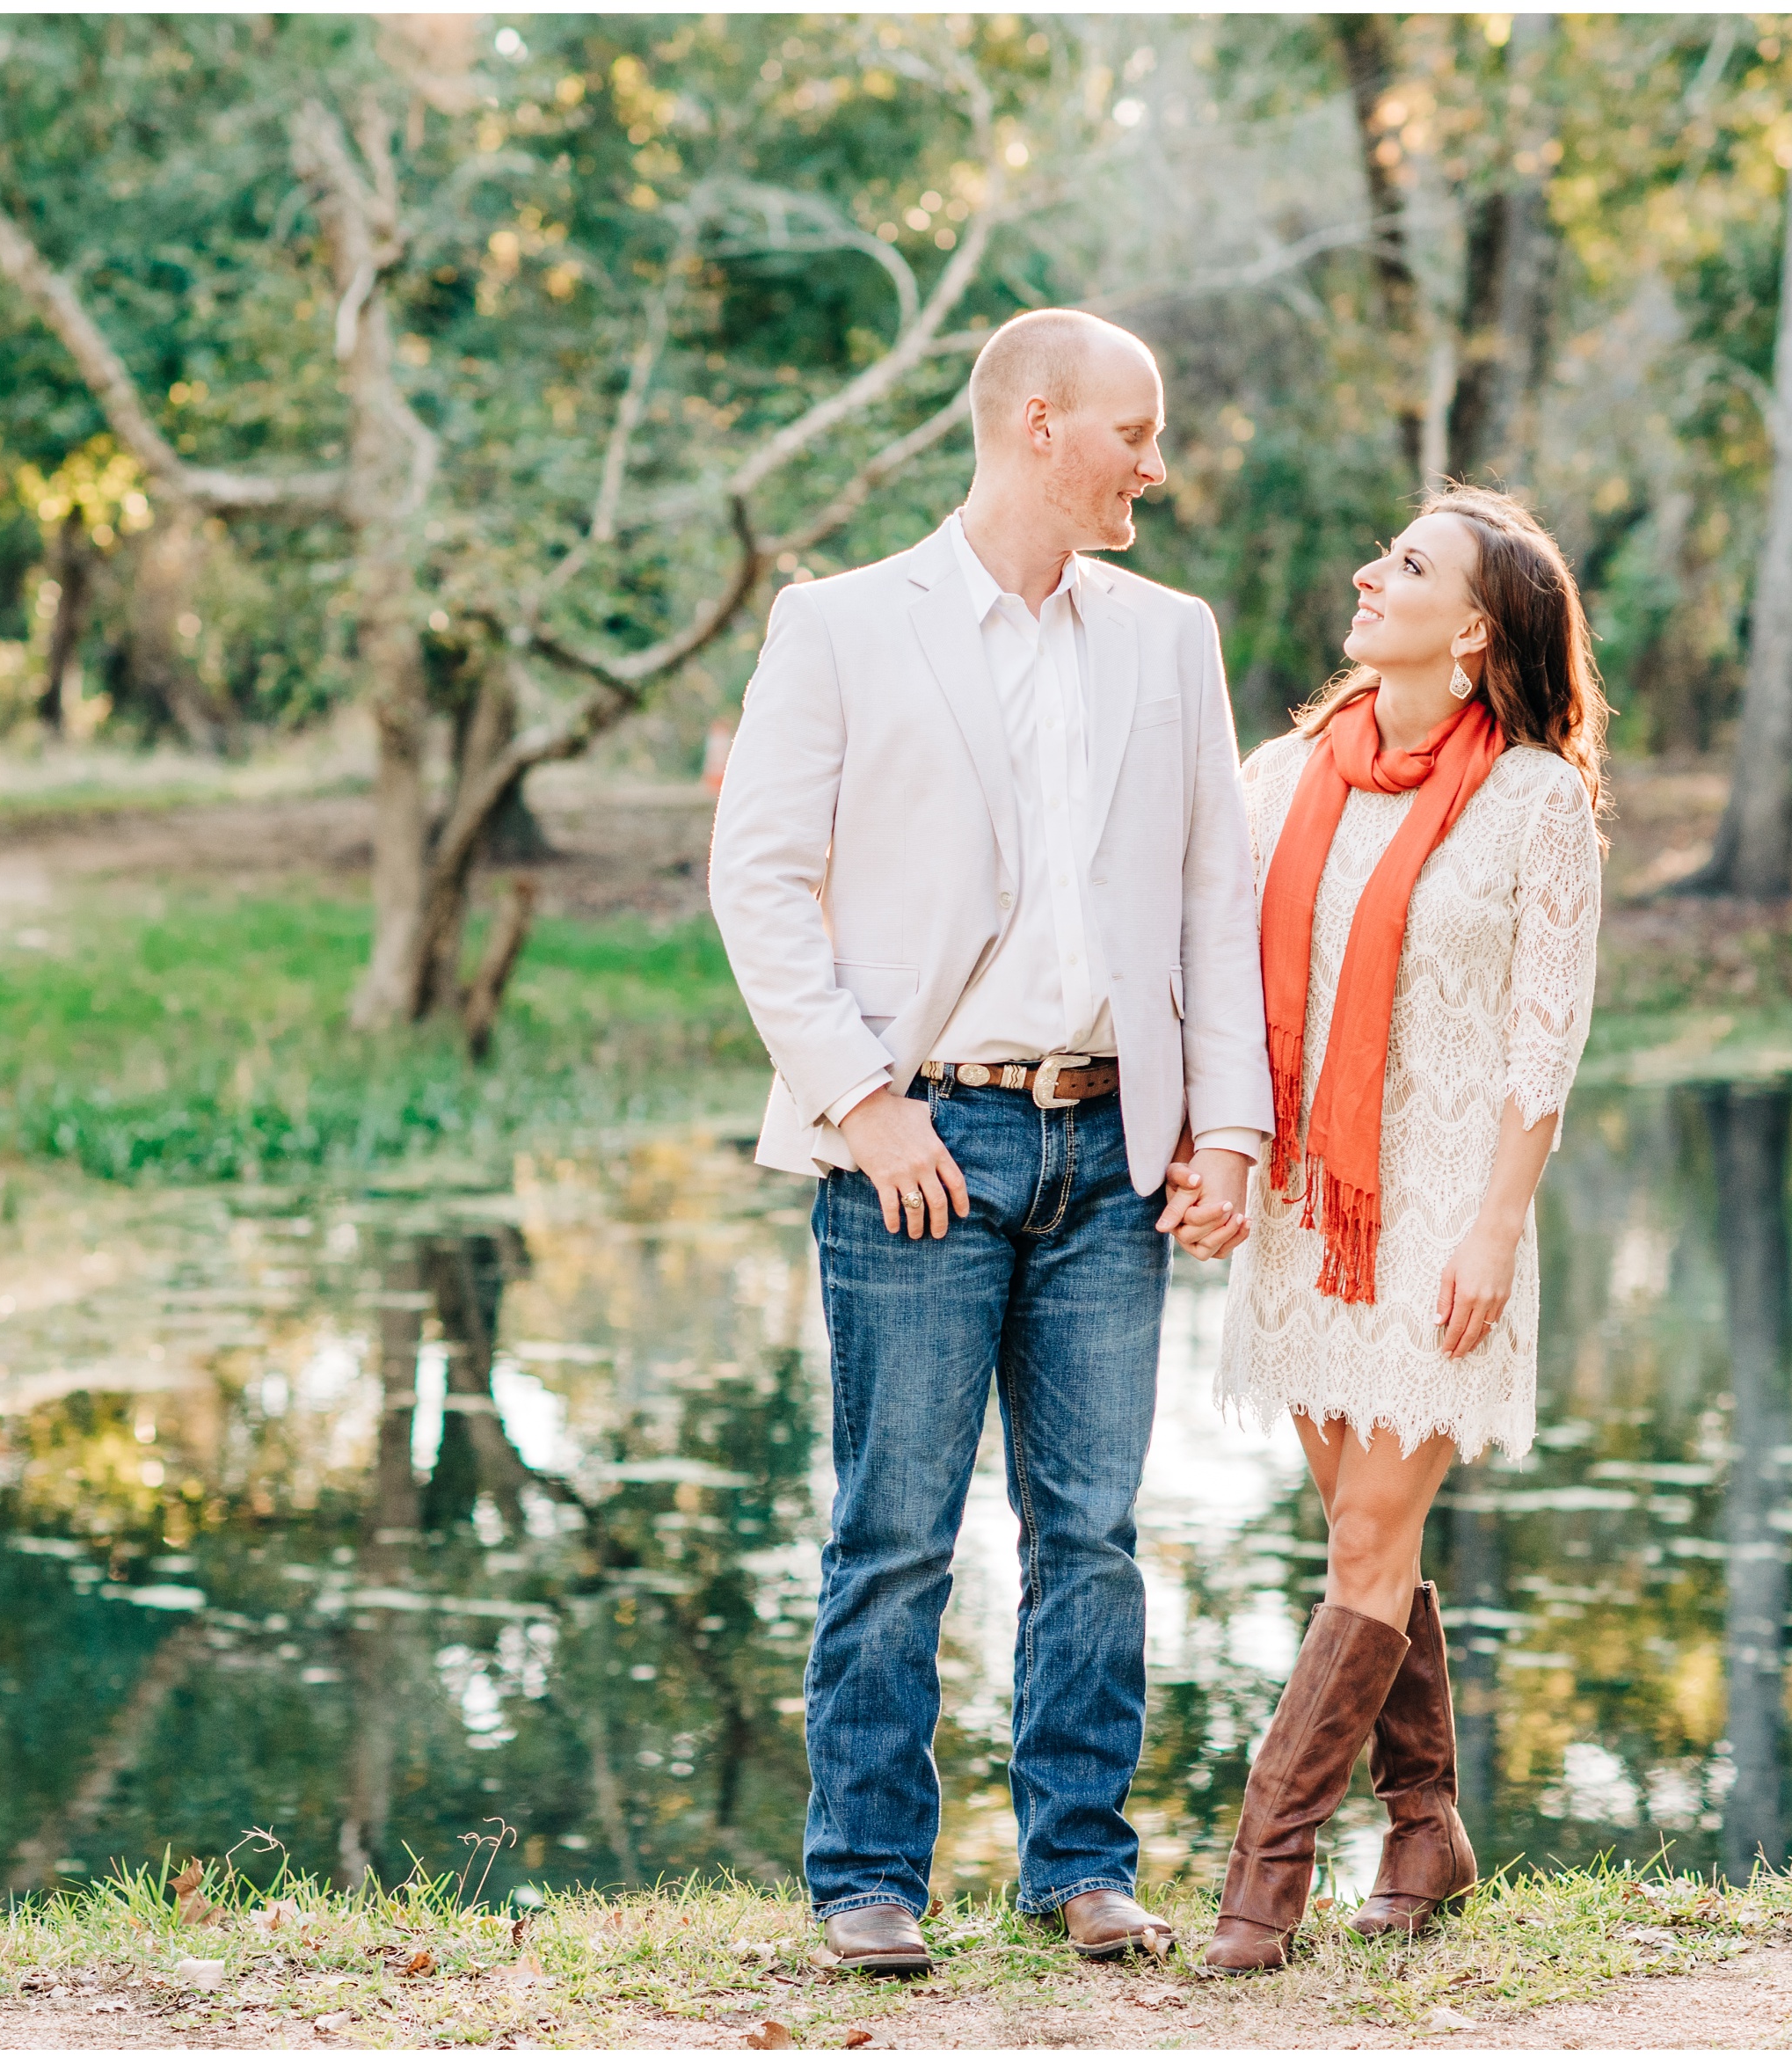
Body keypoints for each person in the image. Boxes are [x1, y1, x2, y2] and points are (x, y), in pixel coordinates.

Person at [707, 308, 1272, 1974]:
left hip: (1113, 1151)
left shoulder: (1173, 639)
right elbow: (758, 881)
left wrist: (1226, 1123)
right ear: (1040, 422)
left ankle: (1080, 1862)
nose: (1155, 467)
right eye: (1134, 432)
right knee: (895, 1527)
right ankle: (867, 1878)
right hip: (921, 1144)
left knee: (1091, 1527)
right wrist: (862, 1104)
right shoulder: (839, 626)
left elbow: (1209, 895)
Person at [1186, 485, 1606, 1972]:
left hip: (1440, 1218)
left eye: (1410, 566)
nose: (1372, 573)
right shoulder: (1283, 772)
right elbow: (1221, 986)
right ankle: (1426, 1823)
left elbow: (1540, 1041)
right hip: (1310, 1215)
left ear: (1476, 630)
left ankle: (1263, 1869)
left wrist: (1499, 1222)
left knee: (1367, 1531)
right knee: (1368, 1537)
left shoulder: (1538, 803)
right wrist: (1211, 1149)